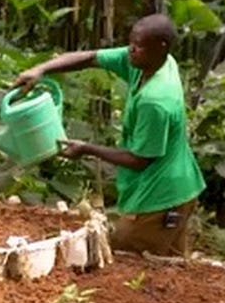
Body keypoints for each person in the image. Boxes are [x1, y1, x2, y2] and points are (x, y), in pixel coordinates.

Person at [13, 13, 206, 258]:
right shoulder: (154, 63)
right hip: (176, 187)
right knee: (167, 267)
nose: (132, 50)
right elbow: (91, 58)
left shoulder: (156, 101)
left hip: (160, 197)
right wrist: (41, 69)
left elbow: (140, 159)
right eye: (131, 43)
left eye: (140, 46)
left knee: (128, 260)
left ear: (161, 47)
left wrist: (86, 149)